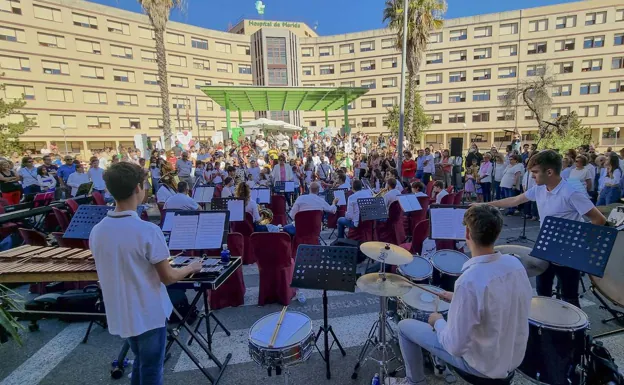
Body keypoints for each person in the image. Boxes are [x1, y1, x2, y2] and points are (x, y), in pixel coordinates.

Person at [391, 204, 532, 385]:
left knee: (404, 326)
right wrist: (457, 297)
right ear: (497, 233)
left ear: (467, 234)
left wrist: (438, 322)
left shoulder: (469, 281)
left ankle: (414, 382)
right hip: (511, 358)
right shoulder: (515, 264)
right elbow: (498, 301)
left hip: (481, 366)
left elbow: (454, 346)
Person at [90, 162, 202, 385]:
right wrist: (191, 267)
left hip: (121, 310)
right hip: (147, 311)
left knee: (141, 361)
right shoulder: (147, 230)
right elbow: (168, 277)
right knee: (151, 370)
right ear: (139, 188)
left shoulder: (98, 230)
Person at [488, 150, 606, 307]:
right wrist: (487, 205)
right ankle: (546, 327)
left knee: (569, 296)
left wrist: (578, 241)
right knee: (543, 291)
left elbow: (599, 219)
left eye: (535, 172)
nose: (532, 176)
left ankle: (574, 330)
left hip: (567, 251)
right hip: (545, 245)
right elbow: (515, 200)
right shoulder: (539, 189)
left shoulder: (571, 193)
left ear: (549, 172)